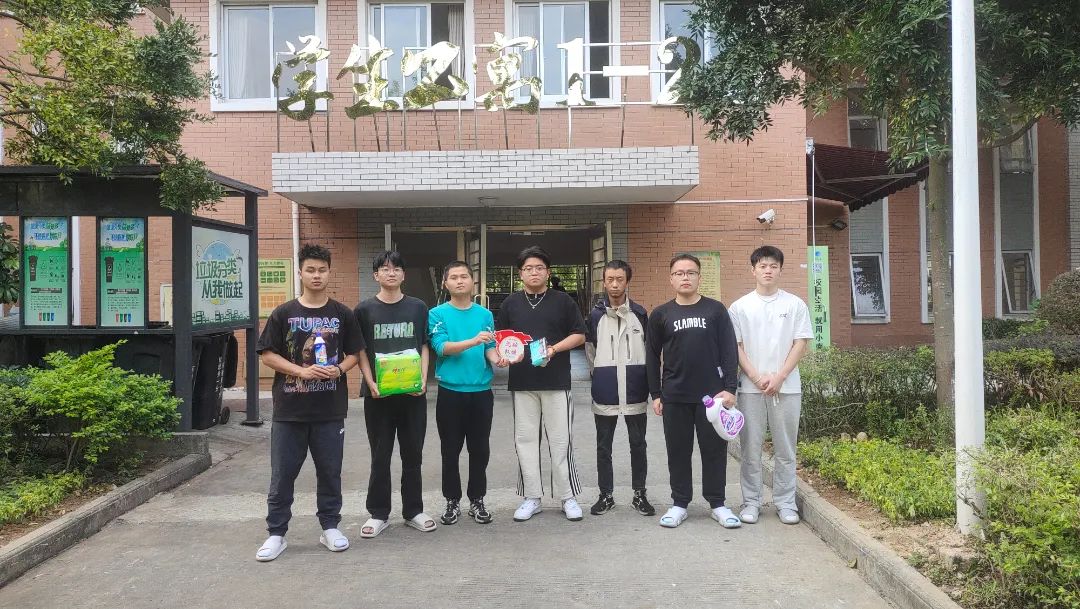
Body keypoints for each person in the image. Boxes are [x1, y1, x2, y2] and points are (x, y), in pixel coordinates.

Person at [254, 243, 364, 561]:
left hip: (330, 410)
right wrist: (300, 371)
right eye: (311, 270)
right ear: (300, 273)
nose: (317, 275)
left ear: (329, 273)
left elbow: (355, 353)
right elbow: (267, 354)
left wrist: (338, 370)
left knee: (330, 472)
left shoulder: (342, 314)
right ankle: (276, 534)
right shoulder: (284, 313)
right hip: (289, 411)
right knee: (282, 475)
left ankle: (330, 527)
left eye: (322, 270)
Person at [646, 253, 742, 529]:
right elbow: (651, 355)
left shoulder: (715, 310)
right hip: (675, 396)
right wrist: (655, 394)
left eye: (691, 272)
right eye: (679, 273)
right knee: (678, 452)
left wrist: (730, 388)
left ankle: (718, 504)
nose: (685, 277)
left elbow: (729, 350)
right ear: (671, 279)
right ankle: (679, 503)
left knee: (714, 451)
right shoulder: (661, 314)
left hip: (712, 398)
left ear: (699, 277)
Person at [496, 246, 587, 522]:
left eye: (539, 268)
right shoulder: (511, 303)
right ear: (520, 273)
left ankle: (567, 496)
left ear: (548, 272)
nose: (533, 272)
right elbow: (502, 339)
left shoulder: (563, 301)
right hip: (522, 382)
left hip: (556, 381)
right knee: (525, 440)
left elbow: (580, 334)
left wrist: (554, 349)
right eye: (528, 268)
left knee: (560, 441)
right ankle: (531, 497)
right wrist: (502, 356)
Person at [729, 246, 813, 525]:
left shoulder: (795, 305)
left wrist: (779, 377)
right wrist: (756, 377)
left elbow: (800, 343)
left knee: (786, 449)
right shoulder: (739, 307)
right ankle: (751, 502)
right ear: (752, 270)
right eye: (762, 266)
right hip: (750, 388)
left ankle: (786, 502)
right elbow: (736, 346)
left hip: (787, 387)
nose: (768, 270)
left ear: (780, 270)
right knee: (750, 449)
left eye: (773, 266)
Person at [355, 251, 435, 537]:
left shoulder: (418, 307)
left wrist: (422, 380)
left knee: (413, 454)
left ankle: (413, 510)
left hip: (412, 395)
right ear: (375, 275)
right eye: (385, 269)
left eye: (397, 269)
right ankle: (378, 513)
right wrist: (370, 382)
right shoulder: (364, 310)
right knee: (380, 455)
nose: (391, 273)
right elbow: (360, 350)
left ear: (404, 275)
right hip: (378, 395)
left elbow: (424, 344)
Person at [428, 261, 509, 525]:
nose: (460, 281)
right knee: (450, 450)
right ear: (446, 283)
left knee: (480, 449)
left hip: (481, 392)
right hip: (450, 392)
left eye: (464, 276)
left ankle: (477, 499)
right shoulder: (437, 314)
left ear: (473, 281)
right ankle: (452, 500)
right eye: (454, 277)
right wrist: (474, 340)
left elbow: (489, 347)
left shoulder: (484, 315)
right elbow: (441, 347)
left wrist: (498, 359)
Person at [584, 260, 654, 517]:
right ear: (603, 282)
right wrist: (599, 377)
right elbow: (590, 351)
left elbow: (649, 351)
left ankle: (639, 494)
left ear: (627, 281)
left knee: (638, 444)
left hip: (635, 389)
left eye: (620, 279)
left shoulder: (641, 314)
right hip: (606, 390)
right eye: (610, 279)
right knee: (604, 446)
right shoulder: (595, 316)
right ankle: (606, 495)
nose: (614, 284)